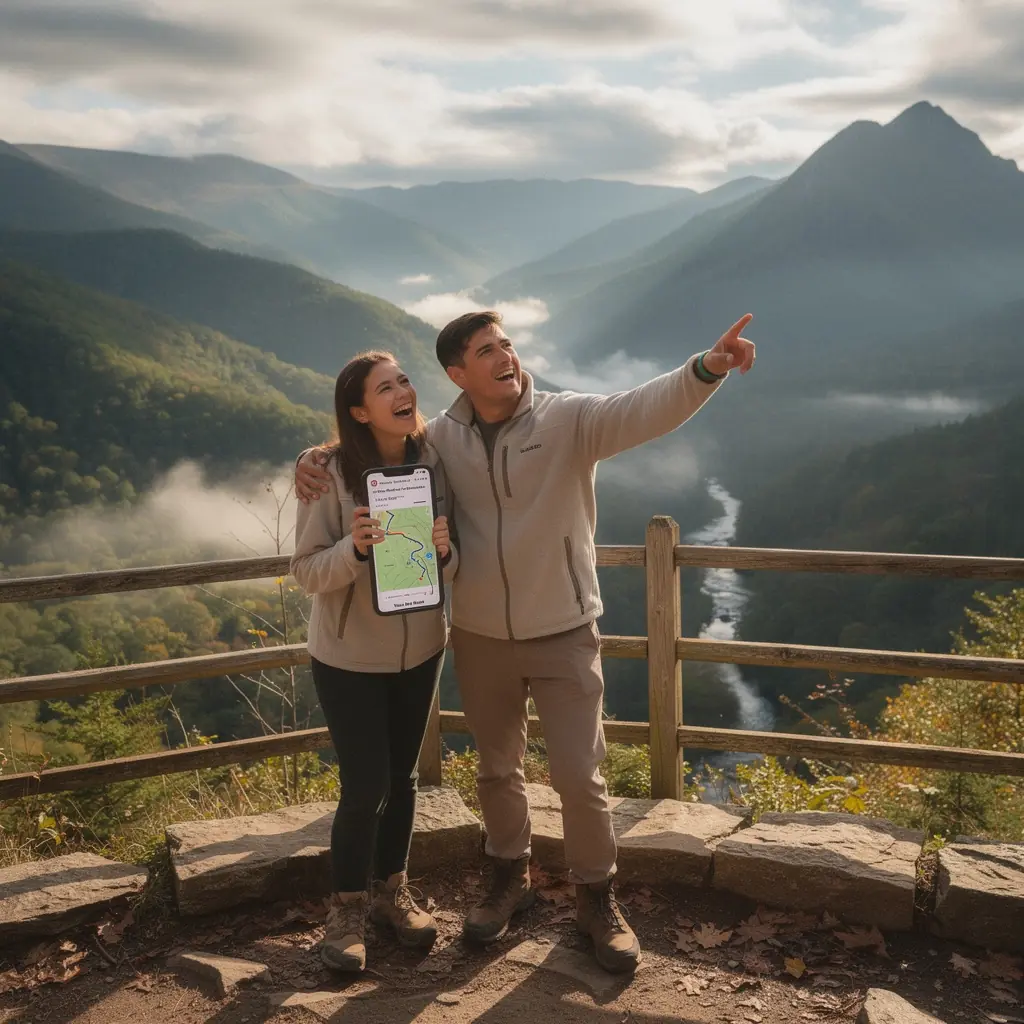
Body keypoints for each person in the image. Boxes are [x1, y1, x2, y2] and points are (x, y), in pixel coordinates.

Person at [295, 313, 756, 974]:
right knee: (495, 770)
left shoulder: (566, 419)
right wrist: (315, 460)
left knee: (578, 774)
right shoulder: (442, 442)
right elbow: (368, 455)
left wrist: (706, 368)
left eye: (507, 343)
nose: (506, 355)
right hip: (479, 637)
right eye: (487, 350)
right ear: (458, 373)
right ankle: (507, 881)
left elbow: (642, 409)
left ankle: (597, 898)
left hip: (565, 626)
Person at [290, 350, 458, 973]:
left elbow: (452, 560)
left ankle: (393, 892)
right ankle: (346, 910)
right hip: (350, 658)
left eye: (405, 380)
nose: (402, 391)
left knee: (405, 778)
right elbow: (305, 571)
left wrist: (445, 554)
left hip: (422, 650)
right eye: (385, 387)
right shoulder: (329, 472)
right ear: (360, 410)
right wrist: (352, 550)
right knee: (365, 786)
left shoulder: (433, 461)